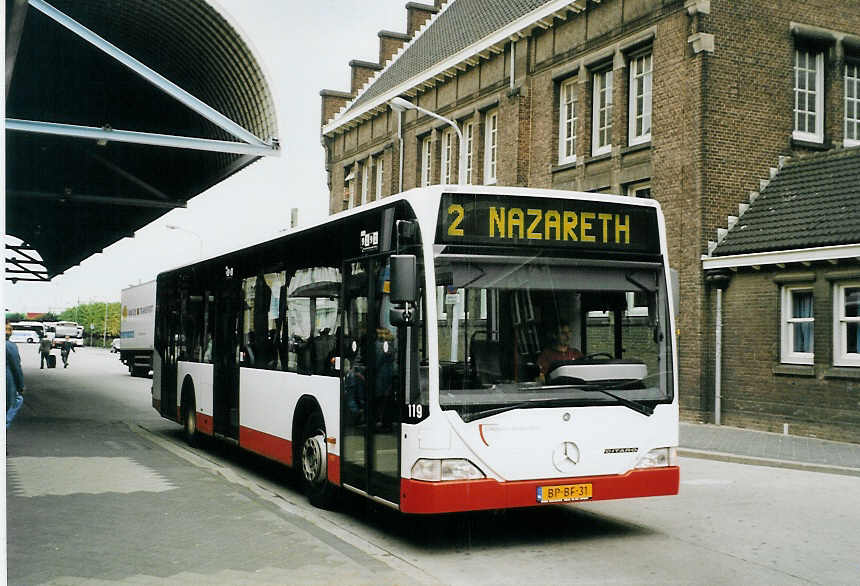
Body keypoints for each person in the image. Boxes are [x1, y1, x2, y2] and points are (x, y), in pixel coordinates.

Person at [6, 324, 25, 428]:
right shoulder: (10, 346)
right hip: (7, 379)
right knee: (17, 400)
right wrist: (20, 386)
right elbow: (16, 368)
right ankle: (5, 422)